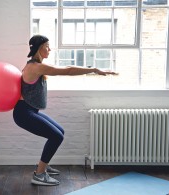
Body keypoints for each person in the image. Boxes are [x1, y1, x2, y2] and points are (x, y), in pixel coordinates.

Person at [13, 35, 117, 186]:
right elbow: (67, 70)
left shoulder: (37, 65)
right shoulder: (35, 67)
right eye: (47, 46)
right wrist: (93, 69)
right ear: (38, 48)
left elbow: (65, 69)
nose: (49, 49)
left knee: (59, 132)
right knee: (56, 136)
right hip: (24, 113)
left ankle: (43, 165)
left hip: (30, 111)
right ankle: (39, 174)